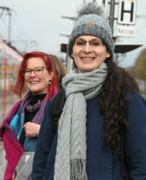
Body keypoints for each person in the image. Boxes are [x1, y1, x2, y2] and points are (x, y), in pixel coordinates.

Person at [32, 3, 146, 180]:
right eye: (80, 43)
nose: (86, 49)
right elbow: (41, 159)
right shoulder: (60, 100)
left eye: (95, 43)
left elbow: (141, 167)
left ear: (107, 51)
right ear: (72, 51)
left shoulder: (129, 101)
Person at [0, 51, 59, 180]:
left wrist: (41, 131)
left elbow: (75, 138)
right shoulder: (18, 109)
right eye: (27, 71)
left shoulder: (60, 104)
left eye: (38, 69)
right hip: (19, 174)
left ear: (50, 74)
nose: (32, 75)